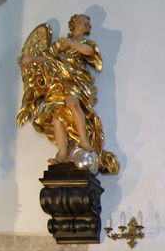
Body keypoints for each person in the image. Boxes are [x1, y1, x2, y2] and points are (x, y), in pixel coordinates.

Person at [17, 14, 119, 174]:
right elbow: (47, 57)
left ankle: (83, 140)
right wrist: (31, 59)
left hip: (75, 78)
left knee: (73, 104)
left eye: (87, 23)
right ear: (73, 24)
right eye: (82, 21)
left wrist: (69, 42)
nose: (85, 24)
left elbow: (88, 51)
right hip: (58, 80)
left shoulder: (85, 43)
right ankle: (62, 153)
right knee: (56, 116)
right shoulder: (59, 43)